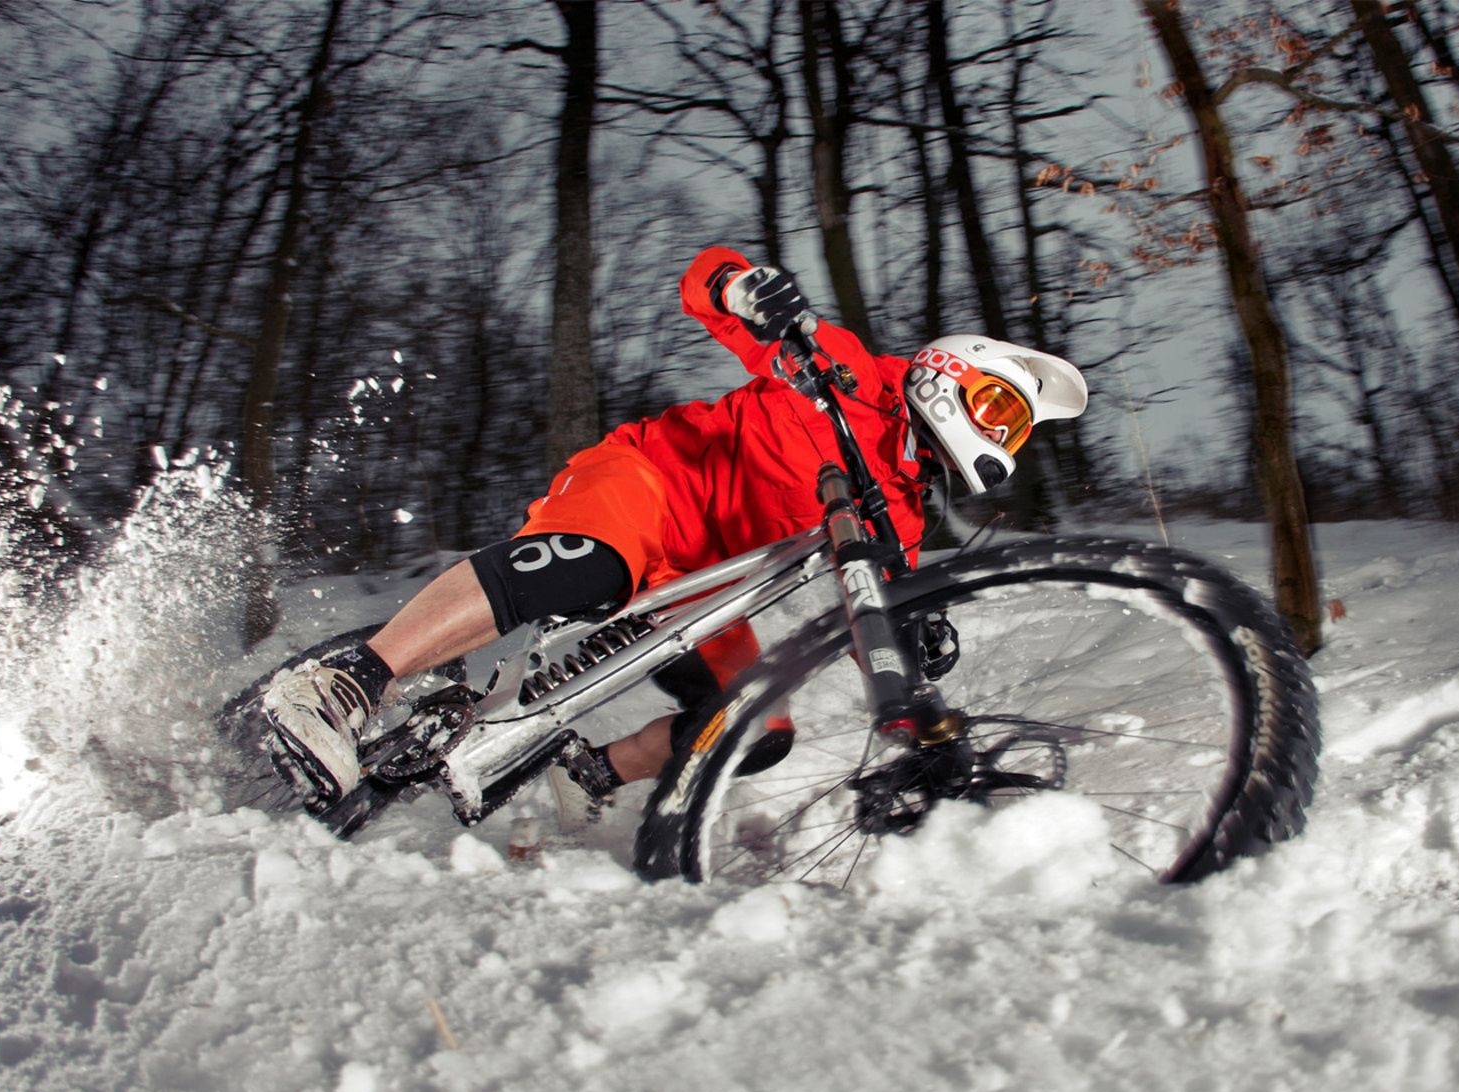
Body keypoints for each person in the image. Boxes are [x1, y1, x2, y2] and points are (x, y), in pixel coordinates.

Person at [261, 245, 1088, 818]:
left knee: (758, 731)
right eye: (998, 405)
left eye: (1014, 429)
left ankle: (588, 777)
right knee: (593, 563)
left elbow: (872, 606)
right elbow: (703, 285)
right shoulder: (837, 371)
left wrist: (919, 629)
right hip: (647, 490)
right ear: (953, 367)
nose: (999, 433)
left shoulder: (898, 512)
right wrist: (742, 290)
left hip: (701, 592)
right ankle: (346, 684)